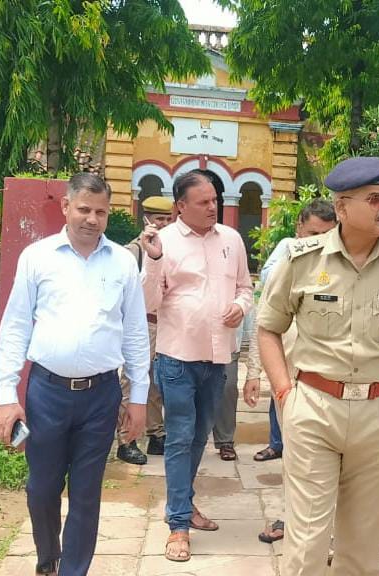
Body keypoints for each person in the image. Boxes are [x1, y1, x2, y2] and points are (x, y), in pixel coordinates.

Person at [257, 156, 379, 576]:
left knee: (364, 545)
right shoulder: (302, 258)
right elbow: (268, 328)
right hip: (314, 409)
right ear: (342, 207)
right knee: (307, 542)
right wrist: (285, 395)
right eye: (375, 199)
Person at [0, 173, 150, 576]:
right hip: (47, 393)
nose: (92, 219)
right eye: (84, 209)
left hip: (101, 397)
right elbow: (15, 327)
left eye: (101, 212)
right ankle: (48, 559)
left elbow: (135, 332)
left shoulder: (122, 263)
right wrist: (7, 396)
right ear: (66, 206)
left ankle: (72, 571)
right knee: (41, 488)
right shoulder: (38, 257)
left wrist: (137, 398)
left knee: (86, 493)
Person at [140, 170, 253, 562]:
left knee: (200, 437)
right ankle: (178, 525)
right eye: (203, 202)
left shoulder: (231, 240)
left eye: (215, 200)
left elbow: (245, 288)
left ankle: (183, 505)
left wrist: (240, 306)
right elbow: (149, 303)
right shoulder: (163, 242)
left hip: (217, 359)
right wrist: (154, 260)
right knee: (179, 438)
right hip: (177, 358)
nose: (212, 207)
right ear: (180, 206)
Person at [243, 198, 337, 545]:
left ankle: (330, 530)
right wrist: (256, 373)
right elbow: (264, 324)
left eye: (327, 234)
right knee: (294, 457)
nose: (319, 242)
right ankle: (292, 519)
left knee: (334, 461)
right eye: (313, 234)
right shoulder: (283, 267)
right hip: (291, 381)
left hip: (333, 382)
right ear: (299, 230)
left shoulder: (344, 271)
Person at [116, 195, 173, 465]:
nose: (163, 224)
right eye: (159, 219)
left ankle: (156, 434)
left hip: (166, 324)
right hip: (141, 324)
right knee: (132, 380)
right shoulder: (133, 252)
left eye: (168, 219)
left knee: (156, 384)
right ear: (146, 219)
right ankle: (126, 440)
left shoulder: (170, 248)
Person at [212, 309, 256, 461]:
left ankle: (225, 441)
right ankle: (189, 439)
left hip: (228, 342)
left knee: (228, 387)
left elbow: (246, 302)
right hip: (192, 343)